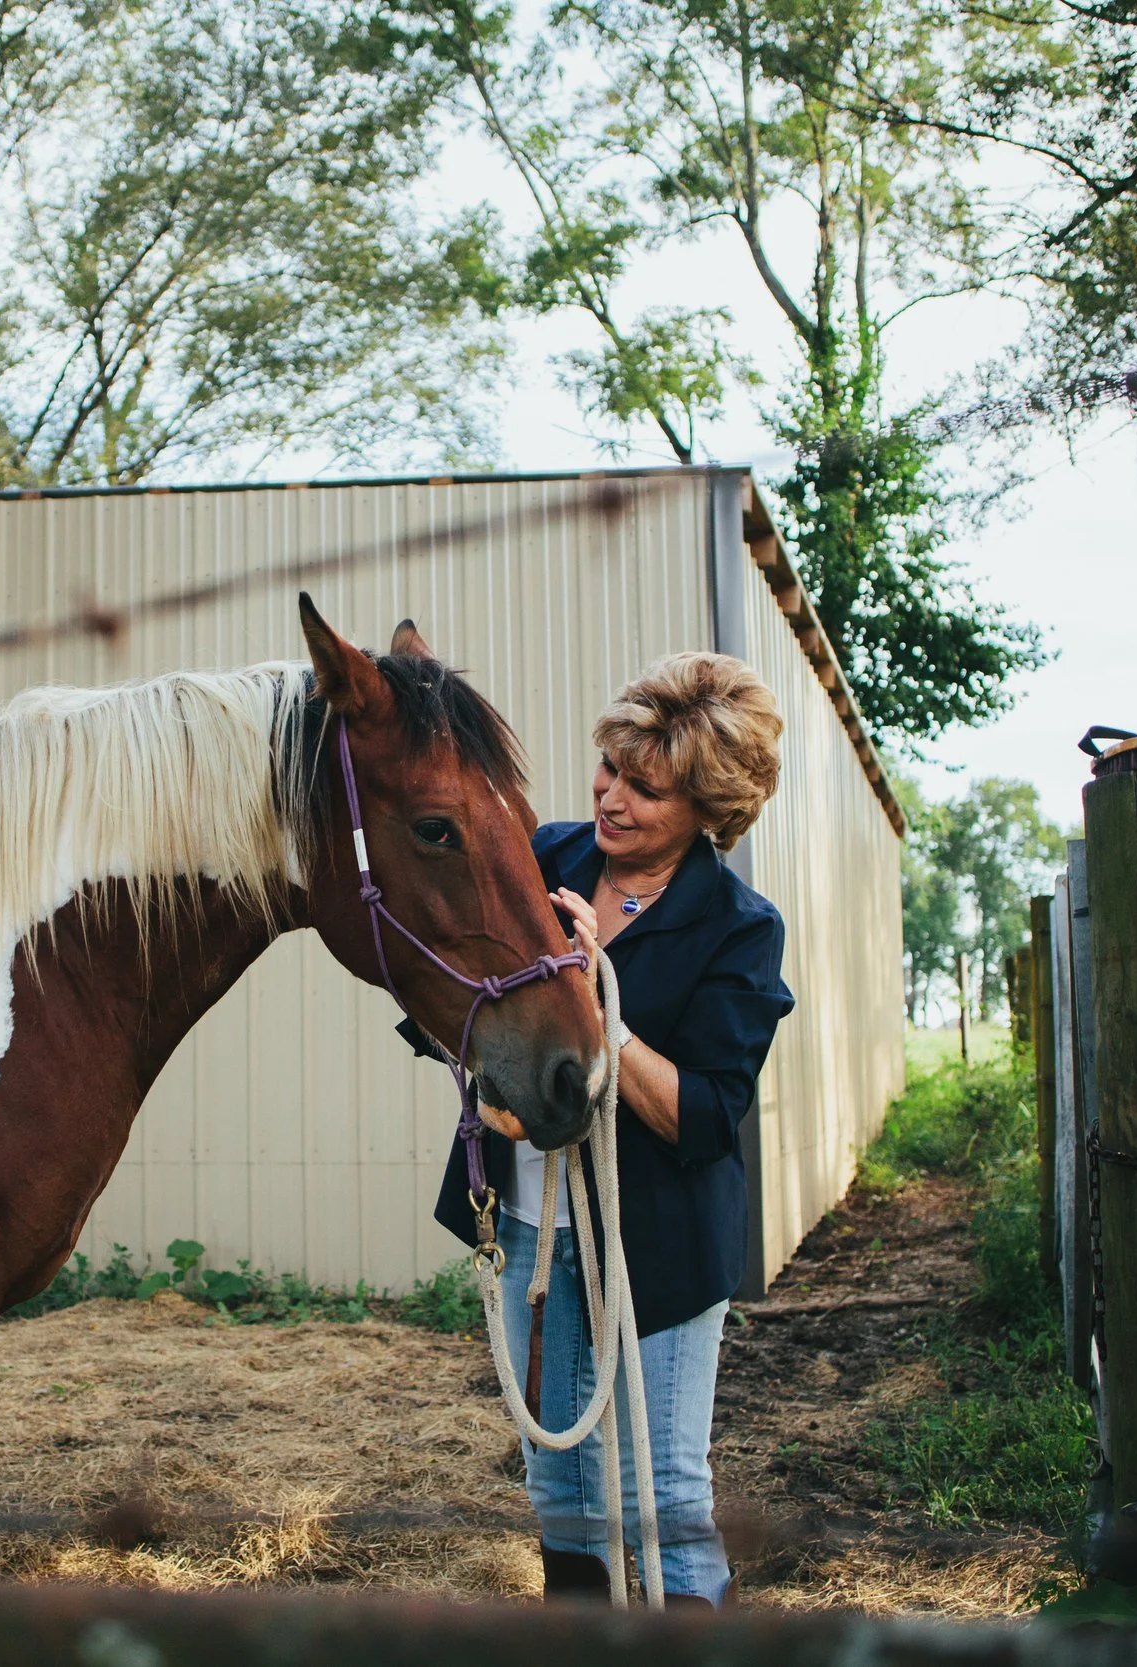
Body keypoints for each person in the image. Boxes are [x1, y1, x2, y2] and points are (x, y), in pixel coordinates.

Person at [419, 651, 794, 1607]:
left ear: (711, 811)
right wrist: (488, 1085)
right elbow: (450, 1000)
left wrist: (594, 1005)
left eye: (648, 788)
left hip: (657, 1246)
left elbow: (706, 1114)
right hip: (532, 1230)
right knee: (560, 1485)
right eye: (611, 769)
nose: (613, 798)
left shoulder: (738, 928)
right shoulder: (543, 857)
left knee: (665, 1492)